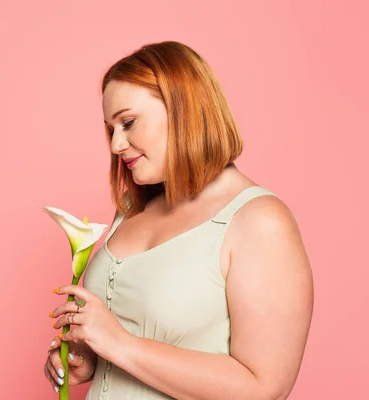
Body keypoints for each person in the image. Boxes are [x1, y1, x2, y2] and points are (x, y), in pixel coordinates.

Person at [43, 41, 313, 399]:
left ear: (183, 110)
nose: (115, 145)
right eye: (111, 129)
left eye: (129, 122)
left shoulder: (259, 221)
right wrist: (89, 359)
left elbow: (265, 390)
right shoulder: (131, 208)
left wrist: (119, 343)